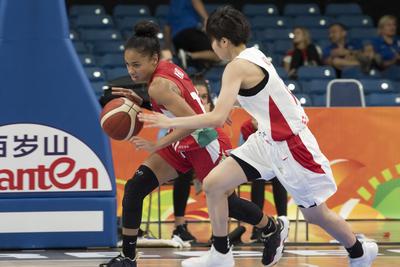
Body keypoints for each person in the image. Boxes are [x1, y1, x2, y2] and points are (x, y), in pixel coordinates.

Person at [139, 6, 378, 267]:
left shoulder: (236, 67)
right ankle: (220, 254)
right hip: (266, 141)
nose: (212, 47)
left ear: (223, 41)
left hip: (292, 146)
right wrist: (230, 106)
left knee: (316, 215)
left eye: (212, 41)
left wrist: (168, 121)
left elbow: (216, 118)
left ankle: (358, 251)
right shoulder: (254, 54)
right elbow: (258, 95)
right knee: (214, 184)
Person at [100, 21, 280, 267]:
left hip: (206, 141)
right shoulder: (166, 68)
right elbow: (177, 109)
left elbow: (193, 123)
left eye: (136, 65)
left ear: (154, 59)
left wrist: (157, 144)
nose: (131, 71)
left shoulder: (157, 86)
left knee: (225, 202)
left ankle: (271, 228)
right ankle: (128, 257)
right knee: (135, 188)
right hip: (183, 140)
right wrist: (142, 102)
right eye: (128, 65)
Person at [171, 75, 214, 243]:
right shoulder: (176, 114)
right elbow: (166, 143)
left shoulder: (216, 114)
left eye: (204, 97)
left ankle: (220, 230)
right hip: (183, 162)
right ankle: (179, 227)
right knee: (184, 170)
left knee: (217, 175)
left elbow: (219, 147)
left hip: (209, 164)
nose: (201, 101)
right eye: (197, 96)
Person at [240, 117, 288, 242]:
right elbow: (242, 149)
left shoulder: (274, 124)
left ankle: (283, 221)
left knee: (279, 179)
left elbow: (282, 147)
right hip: (255, 163)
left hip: (275, 163)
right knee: (258, 179)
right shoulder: (246, 127)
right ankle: (258, 226)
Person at [163, 0, 220, 70]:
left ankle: (187, 56)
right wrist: (206, 18)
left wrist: (168, 48)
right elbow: (195, 1)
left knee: (197, 65)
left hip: (177, 39)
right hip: (191, 32)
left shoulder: (172, 5)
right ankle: (189, 55)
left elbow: (167, 29)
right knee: (217, 54)